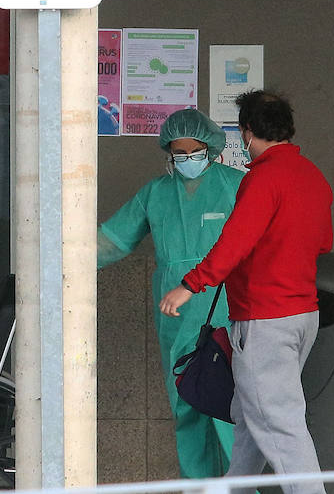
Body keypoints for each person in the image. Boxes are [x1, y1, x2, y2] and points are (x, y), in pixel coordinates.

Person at [160, 91, 333, 494]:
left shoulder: (262, 177)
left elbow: (234, 242)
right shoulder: (313, 176)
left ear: (248, 132)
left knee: (280, 424)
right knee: (250, 418)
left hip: (264, 318)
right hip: (303, 315)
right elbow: (322, 242)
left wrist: (190, 285)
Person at [98, 108, 242, 478]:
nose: (187, 160)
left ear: (210, 148)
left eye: (194, 151)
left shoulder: (236, 185)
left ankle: (241, 486)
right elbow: (112, 240)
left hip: (226, 307)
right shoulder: (156, 193)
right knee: (186, 401)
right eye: (179, 153)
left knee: (230, 404)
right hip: (175, 315)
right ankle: (200, 485)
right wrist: (60, 262)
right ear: (169, 153)